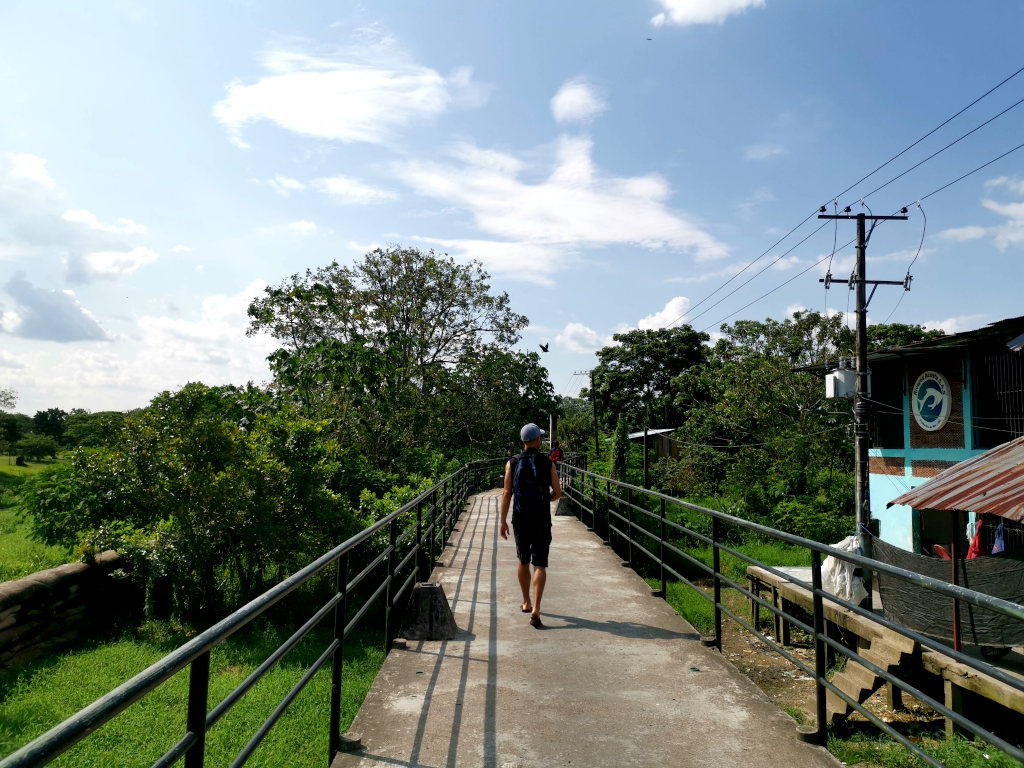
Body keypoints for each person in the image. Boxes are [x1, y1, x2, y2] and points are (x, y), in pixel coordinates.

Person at [500, 423, 562, 628]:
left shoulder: (513, 463)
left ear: (522, 441)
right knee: (540, 563)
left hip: (520, 518)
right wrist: (548, 499)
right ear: (537, 440)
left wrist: (502, 521)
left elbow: (507, 493)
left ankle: (525, 601)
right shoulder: (547, 463)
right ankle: (536, 607)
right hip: (541, 518)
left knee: (523, 560)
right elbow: (558, 492)